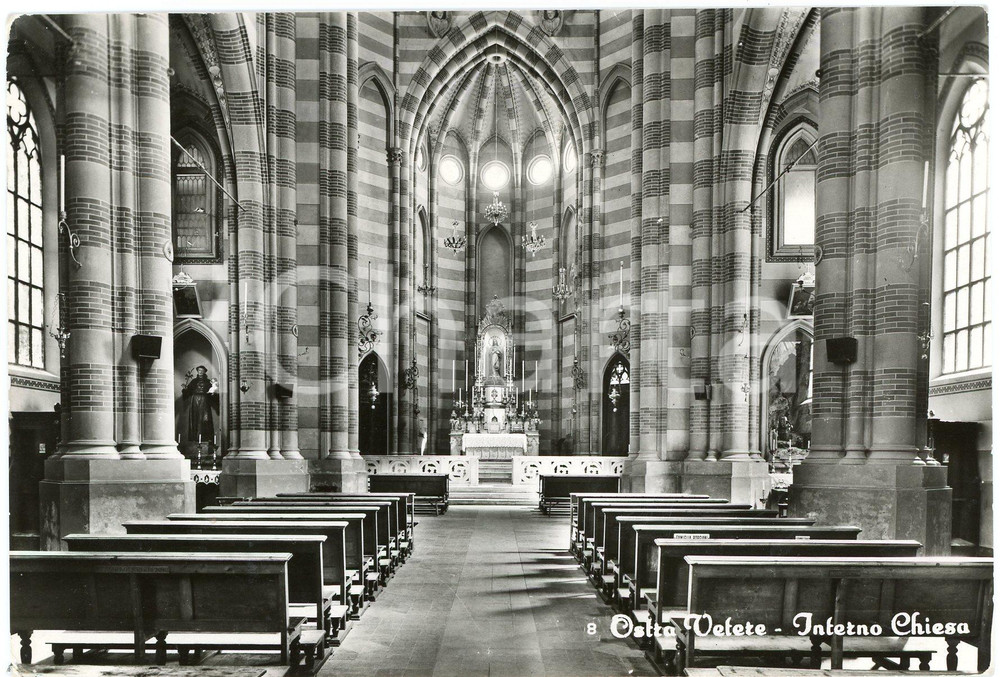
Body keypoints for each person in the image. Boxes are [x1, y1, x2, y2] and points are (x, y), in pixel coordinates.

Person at [183, 365, 219, 444]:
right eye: (199, 370)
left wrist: (213, 394)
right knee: (195, 418)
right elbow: (188, 391)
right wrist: (185, 390)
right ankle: (194, 437)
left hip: (204, 400)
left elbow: (211, 391)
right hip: (194, 401)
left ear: (204, 371)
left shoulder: (208, 382)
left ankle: (205, 437)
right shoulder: (193, 381)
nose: (200, 372)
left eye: (202, 370)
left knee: (205, 418)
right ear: (197, 371)